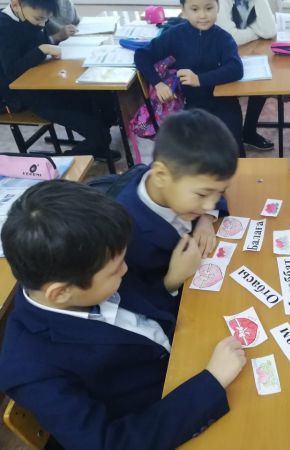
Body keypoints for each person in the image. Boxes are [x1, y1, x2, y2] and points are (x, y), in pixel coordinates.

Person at [0, 180, 246, 450]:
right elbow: (110, 443)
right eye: (114, 271)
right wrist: (211, 383)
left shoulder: (91, 260)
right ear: (60, 293)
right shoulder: (31, 370)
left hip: (187, 350)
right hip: (171, 410)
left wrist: (170, 283)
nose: (126, 270)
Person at [116, 109, 236, 314]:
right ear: (160, 175)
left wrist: (206, 219)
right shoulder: (125, 234)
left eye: (218, 193)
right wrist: (172, 281)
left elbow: (214, 187)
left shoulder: (180, 175)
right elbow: (134, 301)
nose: (210, 204)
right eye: (202, 194)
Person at [0, 0, 119, 161]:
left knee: (103, 100)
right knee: (98, 133)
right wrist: (42, 49)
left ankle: (99, 143)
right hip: (20, 95)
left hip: (44, 82)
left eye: (46, 20)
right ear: (15, 4)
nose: (42, 24)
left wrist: (47, 44)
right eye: (38, 19)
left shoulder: (31, 16)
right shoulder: (4, 27)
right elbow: (13, 71)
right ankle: (59, 162)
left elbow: (36, 45)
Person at [135, 0, 245, 155]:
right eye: (194, 9)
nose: (203, 15)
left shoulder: (223, 38)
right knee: (193, 151)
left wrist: (199, 79)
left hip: (224, 103)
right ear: (184, 10)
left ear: (218, 7)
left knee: (232, 146)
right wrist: (158, 84)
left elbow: (236, 69)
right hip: (192, 104)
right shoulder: (175, 35)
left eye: (209, 8)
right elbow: (142, 56)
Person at [217, 0, 276, 151]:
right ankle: (232, 137)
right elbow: (230, 37)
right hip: (219, 58)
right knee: (229, 98)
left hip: (244, 52)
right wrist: (256, 33)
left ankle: (249, 131)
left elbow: (269, 31)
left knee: (261, 81)